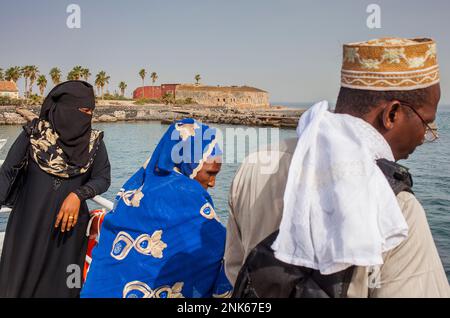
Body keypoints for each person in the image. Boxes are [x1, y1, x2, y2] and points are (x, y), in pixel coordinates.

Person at [225, 37, 450, 297]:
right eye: (427, 123)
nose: (426, 136)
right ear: (392, 114)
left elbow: (236, 272)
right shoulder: (398, 210)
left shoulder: (255, 165)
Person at [81, 118, 232, 298]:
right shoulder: (187, 196)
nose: (213, 183)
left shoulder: (137, 186)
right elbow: (220, 248)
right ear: (190, 163)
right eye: (210, 173)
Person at [0, 80, 111, 297]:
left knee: (64, 288)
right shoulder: (34, 134)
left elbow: (102, 178)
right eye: (84, 110)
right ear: (66, 109)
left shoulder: (94, 142)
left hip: (67, 236)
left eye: (91, 111)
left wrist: (78, 195)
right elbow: (6, 173)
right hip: (27, 229)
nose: (88, 116)